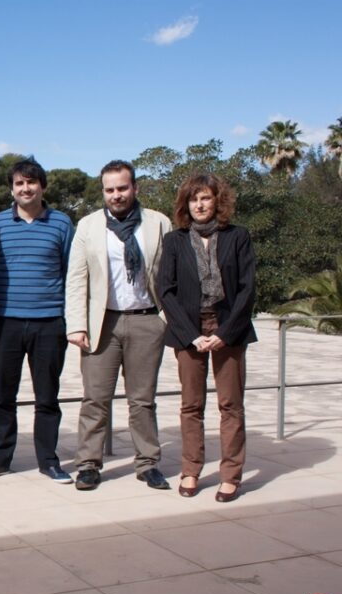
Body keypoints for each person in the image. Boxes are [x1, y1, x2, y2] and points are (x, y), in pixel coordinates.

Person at [65, 160, 172, 491]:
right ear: (103, 192)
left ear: (135, 188)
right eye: (110, 190)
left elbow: (171, 275)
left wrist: (168, 320)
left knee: (142, 400)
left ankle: (147, 463)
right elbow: (77, 278)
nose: (116, 195)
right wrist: (76, 324)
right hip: (103, 324)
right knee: (95, 399)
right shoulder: (88, 225)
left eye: (122, 188)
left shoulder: (158, 223)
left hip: (146, 321)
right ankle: (88, 464)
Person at [0, 158, 75, 484]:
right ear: (12, 188)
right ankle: (0, 458)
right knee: (3, 397)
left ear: (42, 186)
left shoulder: (61, 224)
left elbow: (71, 273)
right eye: (19, 183)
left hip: (49, 324)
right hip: (5, 322)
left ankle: (48, 460)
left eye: (31, 182)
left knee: (47, 397)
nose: (25, 188)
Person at [159, 173, 256, 502]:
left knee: (230, 405)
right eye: (193, 199)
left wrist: (225, 334)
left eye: (205, 198)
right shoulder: (174, 241)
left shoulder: (238, 237)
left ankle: (231, 474)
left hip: (228, 328)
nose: (199, 204)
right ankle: (191, 469)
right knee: (191, 405)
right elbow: (166, 291)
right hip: (189, 329)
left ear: (218, 201)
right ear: (185, 205)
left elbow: (247, 289)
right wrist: (191, 336)